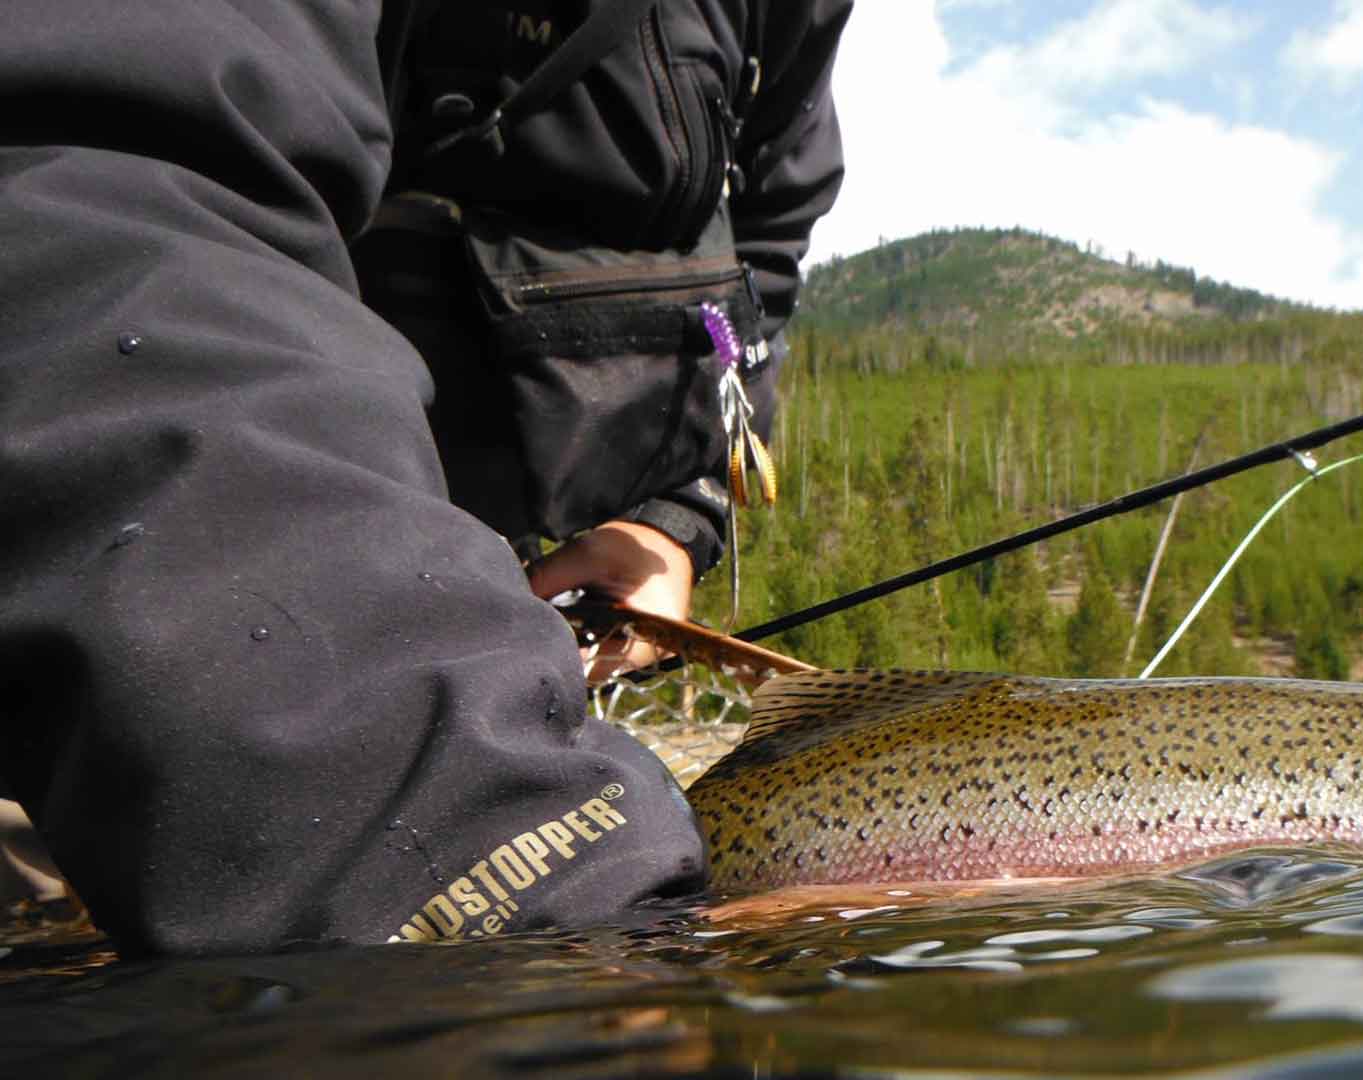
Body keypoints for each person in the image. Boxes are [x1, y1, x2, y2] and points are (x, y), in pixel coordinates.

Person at [0, 0, 849, 955]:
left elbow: (765, 247)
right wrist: (505, 869)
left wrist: (675, 509)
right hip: (217, 553)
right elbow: (96, 188)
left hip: (526, 566)